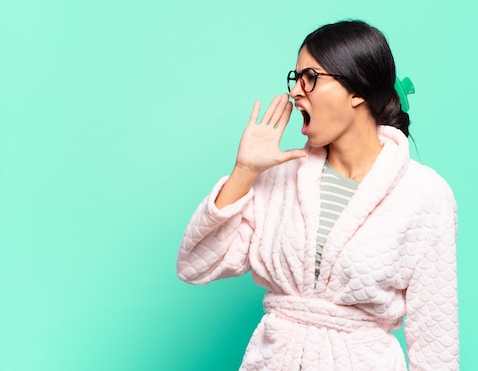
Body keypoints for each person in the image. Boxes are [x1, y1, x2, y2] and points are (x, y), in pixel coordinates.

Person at [177, 20, 458, 370]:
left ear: (356, 90)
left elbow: (436, 341)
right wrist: (245, 171)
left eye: (310, 77)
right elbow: (194, 265)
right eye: (295, 79)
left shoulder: (424, 194)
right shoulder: (280, 178)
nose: (296, 93)